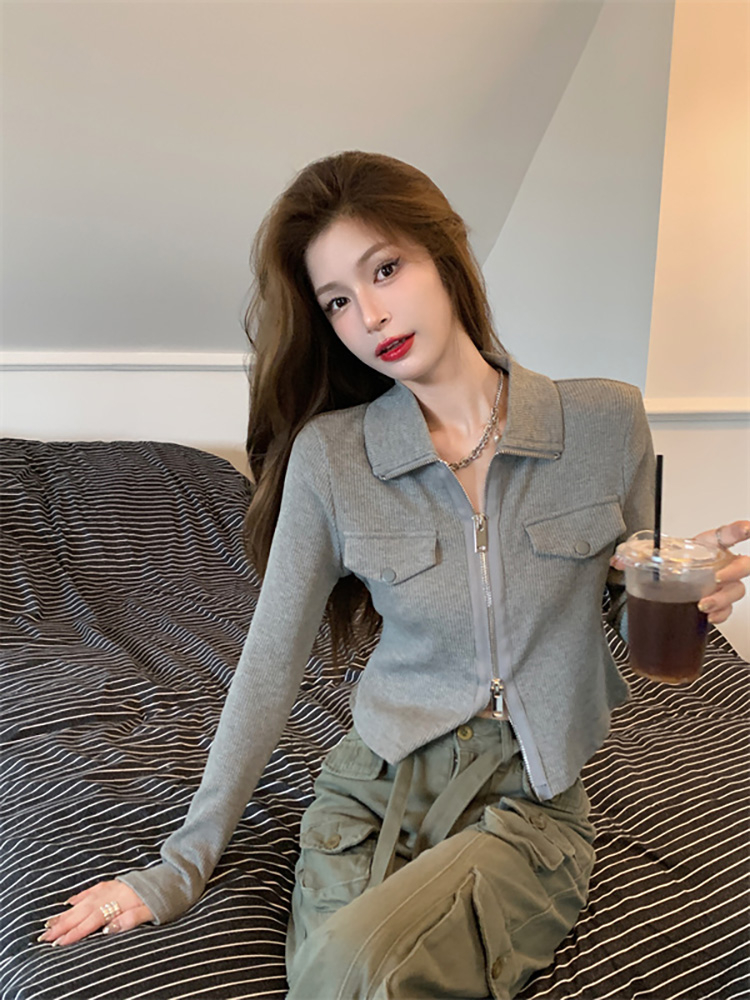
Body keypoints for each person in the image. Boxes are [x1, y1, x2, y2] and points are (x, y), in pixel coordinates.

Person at [37, 151, 750, 999]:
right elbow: (268, 665)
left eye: (385, 269)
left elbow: (619, 600)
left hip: (527, 801)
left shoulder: (605, 422)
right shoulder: (332, 458)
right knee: (331, 981)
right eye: (337, 300)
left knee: (353, 968)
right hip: (372, 788)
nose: (370, 314)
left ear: (445, 257)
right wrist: (178, 866)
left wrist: (688, 601)